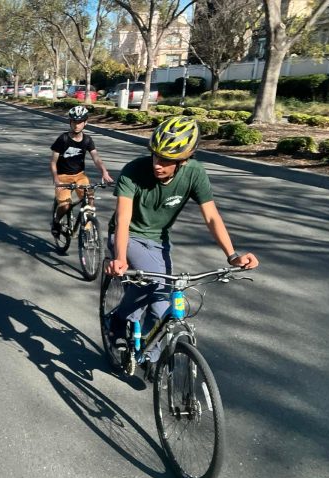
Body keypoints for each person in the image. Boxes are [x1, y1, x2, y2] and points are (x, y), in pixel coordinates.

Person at [105, 115, 259, 365]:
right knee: (155, 283)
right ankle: (118, 320)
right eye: (155, 155)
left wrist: (232, 255)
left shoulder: (194, 174)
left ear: (184, 160)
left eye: (167, 160)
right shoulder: (133, 171)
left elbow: (211, 216)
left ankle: (148, 357)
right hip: (128, 236)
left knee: (160, 307)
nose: (158, 163)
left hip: (159, 241)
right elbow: (123, 218)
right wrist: (120, 258)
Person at [50, 105, 114, 237]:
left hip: (79, 176)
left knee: (90, 196)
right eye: (74, 122)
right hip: (63, 177)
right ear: (70, 122)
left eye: (79, 122)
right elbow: (53, 162)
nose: (76, 125)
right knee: (65, 206)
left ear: (85, 122)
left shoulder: (87, 140)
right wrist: (56, 178)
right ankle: (56, 222)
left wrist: (104, 172)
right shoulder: (63, 139)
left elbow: (96, 158)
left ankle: (87, 226)